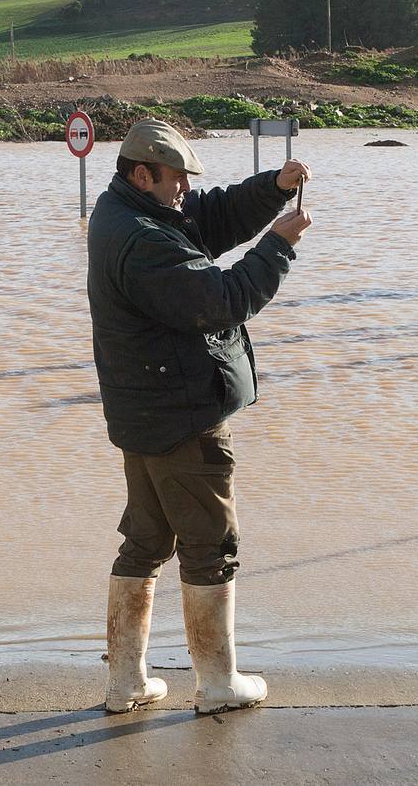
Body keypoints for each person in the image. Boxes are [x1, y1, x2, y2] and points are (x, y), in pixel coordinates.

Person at [87, 118, 312, 714]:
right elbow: (220, 302)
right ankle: (218, 684)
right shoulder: (143, 240)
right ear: (143, 174)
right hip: (182, 413)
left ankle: (125, 683)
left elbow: (206, 220)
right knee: (210, 544)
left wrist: (273, 189)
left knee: (146, 540)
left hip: (144, 410)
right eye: (177, 178)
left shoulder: (127, 213)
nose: (185, 188)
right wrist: (278, 247)